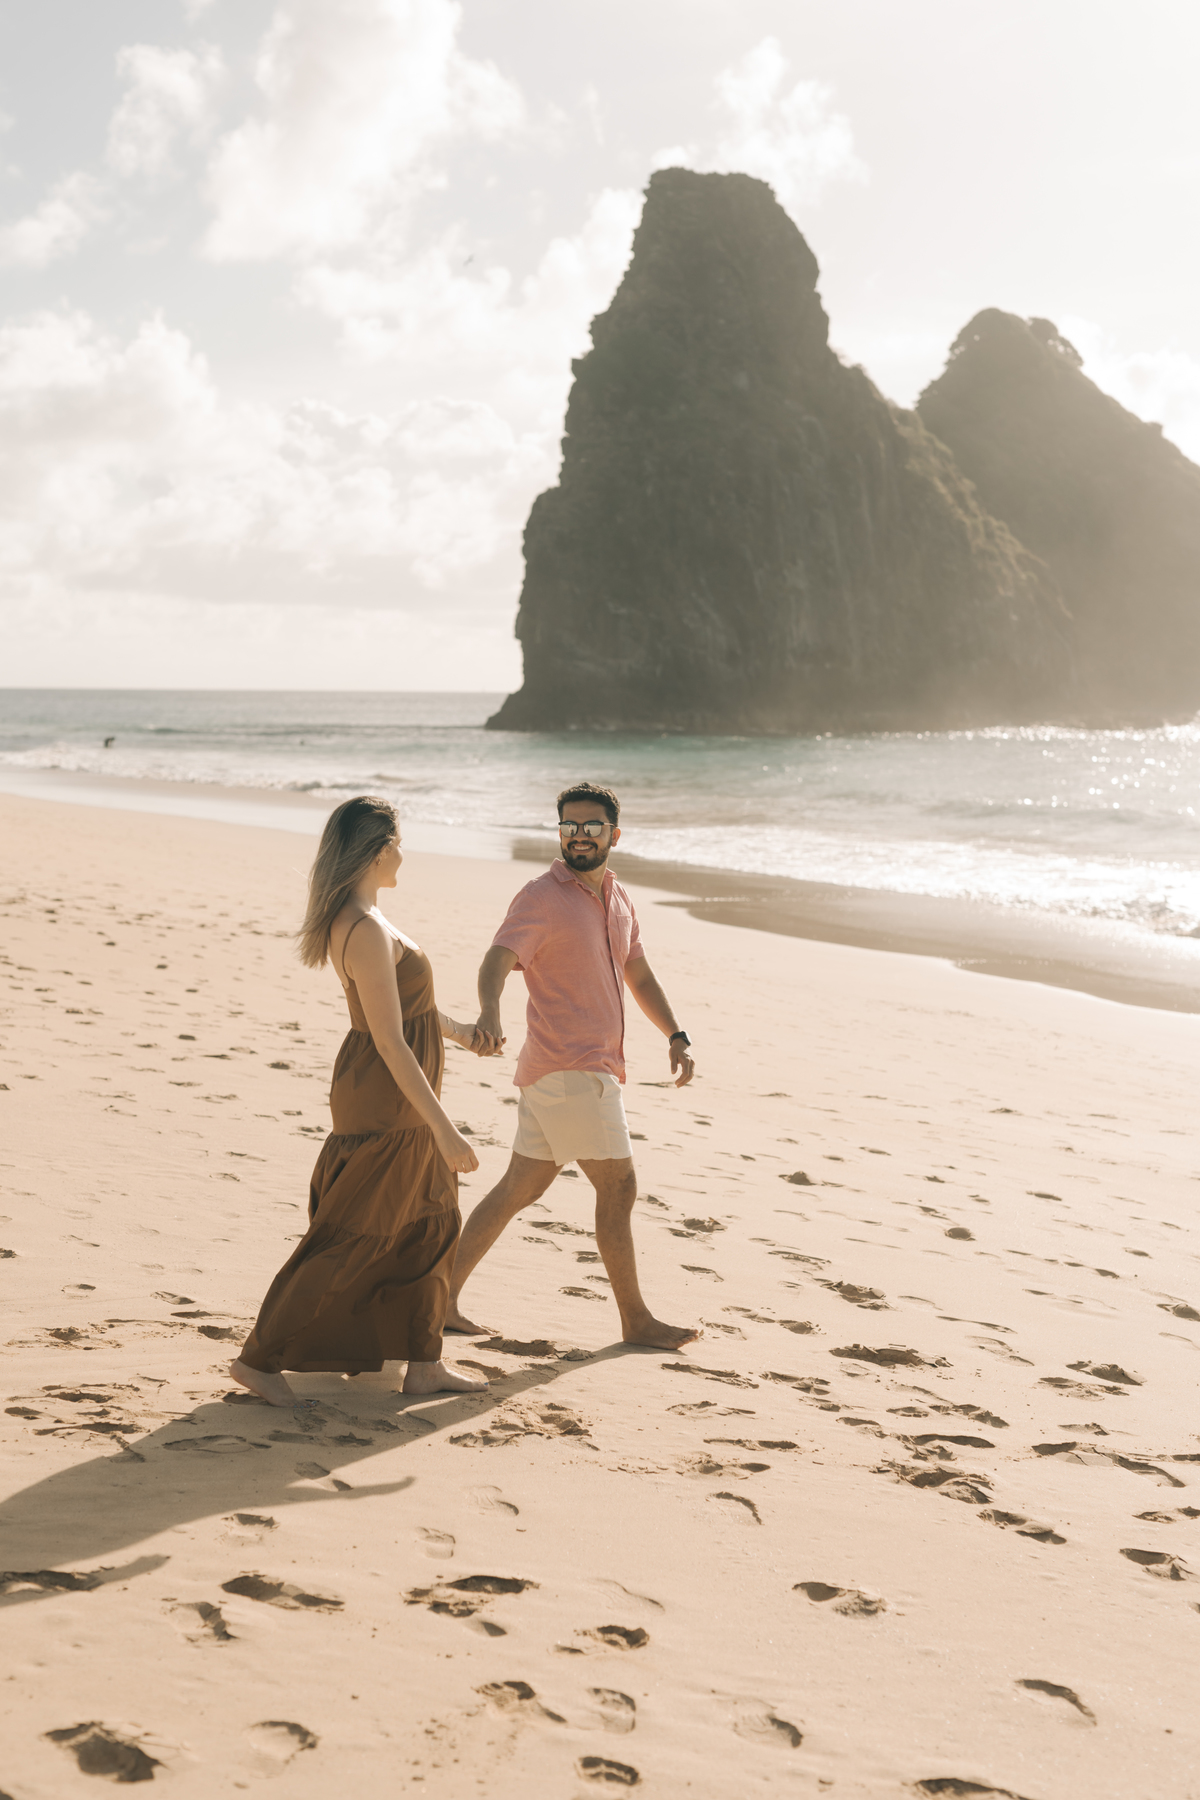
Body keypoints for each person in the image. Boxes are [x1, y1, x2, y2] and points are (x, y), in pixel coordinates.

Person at [231, 795, 490, 1407]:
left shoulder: (368, 916)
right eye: (399, 842)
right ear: (378, 850)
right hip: (389, 1100)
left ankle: (424, 1363)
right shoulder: (366, 928)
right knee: (353, 1233)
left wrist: (460, 1034)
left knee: (432, 1223)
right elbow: (393, 1042)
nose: (406, 852)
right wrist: (445, 1130)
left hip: (398, 1096)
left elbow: (407, 1013)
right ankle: (258, 1361)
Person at [445, 782, 700, 1352]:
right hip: (571, 1067)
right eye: (569, 827)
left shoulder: (618, 897)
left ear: (614, 833)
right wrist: (489, 1008)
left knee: (518, 1187)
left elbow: (639, 973)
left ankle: (440, 1297)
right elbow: (497, 958)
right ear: (559, 832)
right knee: (619, 1186)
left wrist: (675, 1034)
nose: (579, 837)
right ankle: (636, 1321)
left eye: (590, 827)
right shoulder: (541, 896)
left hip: (569, 1070)